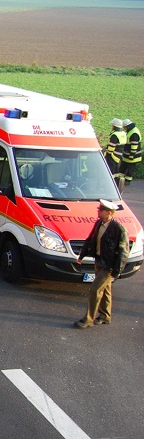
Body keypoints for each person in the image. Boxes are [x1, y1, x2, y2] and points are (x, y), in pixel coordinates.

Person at [74, 199, 129, 329]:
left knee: (95, 290)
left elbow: (123, 252)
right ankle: (105, 316)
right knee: (106, 290)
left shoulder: (119, 230)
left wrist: (117, 271)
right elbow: (90, 239)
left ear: (109, 213)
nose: (98, 212)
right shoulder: (99, 223)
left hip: (108, 266)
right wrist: (82, 255)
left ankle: (89, 319)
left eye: (101, 210)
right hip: (99, 261)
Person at [119, 118, 141, 192]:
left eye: (124, 127)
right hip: (128, 155)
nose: (124, 128)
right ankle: (120, 179)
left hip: (133, 156)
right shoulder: (132, 130)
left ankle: (127, 181)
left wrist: (131, 155)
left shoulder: (134, 133)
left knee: (130, 169)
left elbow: (134, 145)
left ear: (127, 126)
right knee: (123, 167)